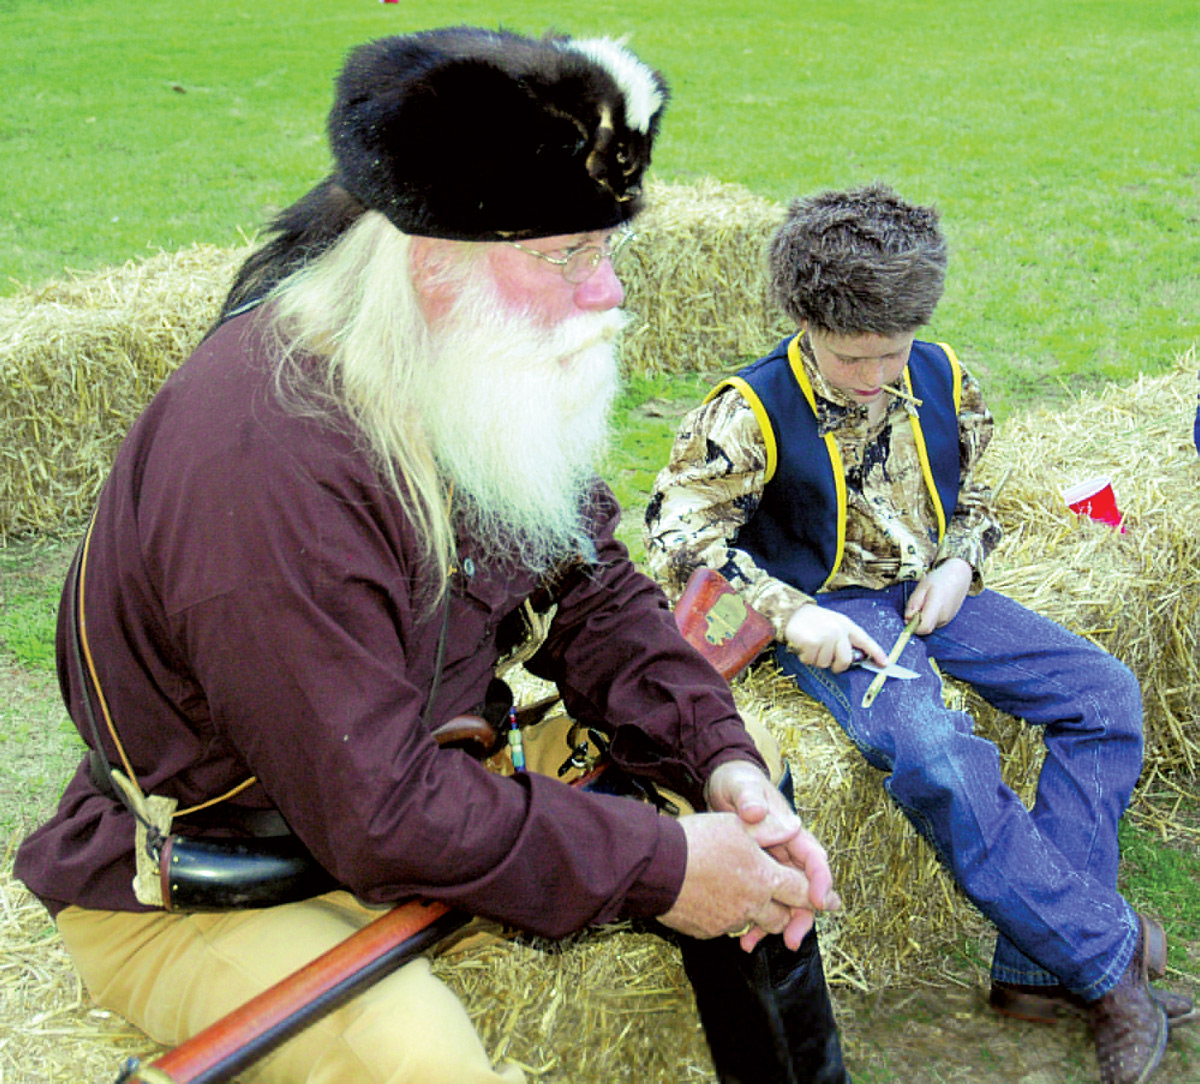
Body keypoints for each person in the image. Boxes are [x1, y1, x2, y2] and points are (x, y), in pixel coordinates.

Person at [15, 26, 850, 1084]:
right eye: (566, 257)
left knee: (739, 808)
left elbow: (593, 597)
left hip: (409, 789)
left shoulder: (450, 363)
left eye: (606, 251)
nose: (609, 296)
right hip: (214, 881)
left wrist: (720, 763)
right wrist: (663, 866)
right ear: (433, 264)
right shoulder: (266, 465)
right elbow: (379, 812)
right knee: (422, 1060)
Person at [644, 183, 1195, 1084]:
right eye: (850, 358)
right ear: (804, 319)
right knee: (941, 757)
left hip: (932, 591)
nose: (873, 377)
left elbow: (977, 494)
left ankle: (1037, 970)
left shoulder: (940, 372)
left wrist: (960, 566)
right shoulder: (743, 408)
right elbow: (677, 534)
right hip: (830, 610)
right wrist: (795, 615)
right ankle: (1106, 964)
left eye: (890, 356)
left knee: (1105, 695)